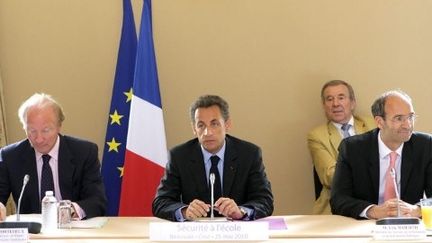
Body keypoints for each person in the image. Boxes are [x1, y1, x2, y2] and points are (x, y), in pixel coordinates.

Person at [152, 95, 273, 221]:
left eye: (214, 124)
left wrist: (241, 211)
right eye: (201, 125)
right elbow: (160, 203)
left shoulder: (249, 154)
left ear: (227, 125)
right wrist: (184, 211)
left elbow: (265, 201)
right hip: (195, 236)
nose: (207, 132)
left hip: (237, 235)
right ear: (194, 129)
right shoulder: (179, 156)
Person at [0, 93, 106, 221]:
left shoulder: (84, 152)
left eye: (45, 130)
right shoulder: (10, 156)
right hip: (32, 235)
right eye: (32, 130)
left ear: (59, 126)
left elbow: (97, 201)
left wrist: (69, 211)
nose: (38, 139)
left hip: (73, 231)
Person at [330, 90, 432, 219]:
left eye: (411, 117)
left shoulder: (426, 145)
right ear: (379, 122)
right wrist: (372, 211)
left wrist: (417, 210)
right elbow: (338, 199)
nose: (408, 125)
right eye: (399, 118)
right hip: (364, 226)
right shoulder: (352, 148)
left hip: (409, 226)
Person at [307, 80, 374, 214]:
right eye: (329, 99)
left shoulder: (374, 125)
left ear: (353, 102)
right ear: (324, 105)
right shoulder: (317, 135)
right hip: (336, 205)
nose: (335, 104)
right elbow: (330, 177)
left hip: (375, 202)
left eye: (341, 98)